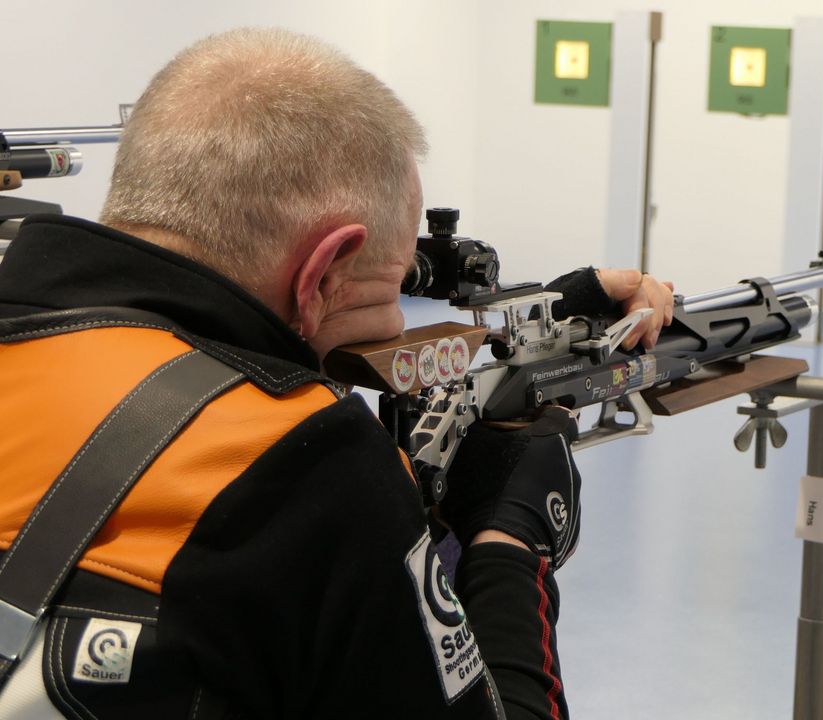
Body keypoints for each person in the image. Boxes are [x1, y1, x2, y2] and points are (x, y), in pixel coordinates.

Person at [0, 27, 673, 719]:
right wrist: (511, 541)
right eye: (389, 289)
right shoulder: (312, 463)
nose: (391, 325)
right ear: (320, 271)